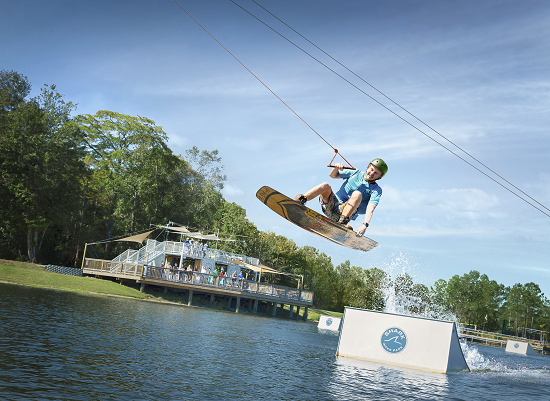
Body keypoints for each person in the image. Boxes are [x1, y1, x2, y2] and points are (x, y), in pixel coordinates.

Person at [294, 159, 388, 237]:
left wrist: (365, 225)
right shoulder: (356, 173)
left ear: (379, 177)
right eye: (371, 169)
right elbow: (332, 175)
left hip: (343, 215)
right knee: (325, 186)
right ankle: (299, 200)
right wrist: (336, 168)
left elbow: (370, 209)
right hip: (331, 205)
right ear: (368, 167)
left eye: (376, 173)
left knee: (357, 194)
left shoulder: (376, 190)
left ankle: (341, 225)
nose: (372, 173)